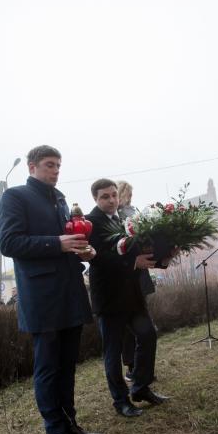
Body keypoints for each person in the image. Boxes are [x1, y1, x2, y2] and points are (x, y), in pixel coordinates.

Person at [0, 144, 101, 434]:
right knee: (48, 367)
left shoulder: (61, 199)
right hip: (42, 297)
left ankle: (70, 424)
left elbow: (68, 244)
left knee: (67, 365)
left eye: (58, 165)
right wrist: (57, 243)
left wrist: (84, 252)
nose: (55, 170)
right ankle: (54, 431)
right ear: (32, 167)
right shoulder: (15, 196)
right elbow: (9, 243)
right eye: (49, 164)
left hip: (69, 291)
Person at [88, 178, 170, 418]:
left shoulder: (124, 220)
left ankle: (141, 388)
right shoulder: (91, 222)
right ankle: (121, 401)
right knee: (113, 353)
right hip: (109, 298)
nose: (111, 200)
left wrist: (163, 257)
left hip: (132, 294)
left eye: (114, 195)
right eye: (105, 197)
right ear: (95, 198)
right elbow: (97, 258)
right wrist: (133, 261)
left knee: (148, 335)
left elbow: (137, 251)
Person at [116, 180, 156, 382]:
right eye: (128, 194)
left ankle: (143, 366)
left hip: (140, 275)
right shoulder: (116, 216)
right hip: (125, 276)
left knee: (143, 323)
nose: (131, 198)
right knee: (128, 328)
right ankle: (132, 366)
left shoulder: (135, 212)